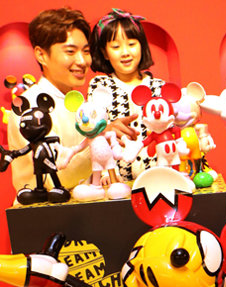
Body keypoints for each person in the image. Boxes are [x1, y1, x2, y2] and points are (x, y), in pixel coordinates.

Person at [7, 8, 93, 194]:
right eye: (70, 51)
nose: (82, 61)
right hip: (46, 210)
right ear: (41, 55)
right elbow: (56, 178)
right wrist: (98, 141)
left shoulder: (82, 102)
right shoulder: (28, 107)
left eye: (86, 51)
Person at [88, 8, 165, 181]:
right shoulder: (100, 86)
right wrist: (108, 173)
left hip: (156, 177)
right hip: (116, 180)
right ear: (104, 52)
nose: (125, 52)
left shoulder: (159, 87)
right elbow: (93, 132)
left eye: (131, 44)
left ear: (141, 45)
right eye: (116, 47)